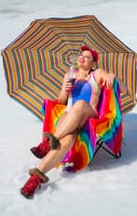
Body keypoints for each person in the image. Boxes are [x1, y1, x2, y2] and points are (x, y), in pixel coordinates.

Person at [20, 45, 127, 199]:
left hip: (88, 115)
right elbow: (62, 101)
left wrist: (112, 75)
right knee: (68, 139)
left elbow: (122, 89)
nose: (82, 58)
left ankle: (49, 142)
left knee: (80, 105)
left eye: (87, 57)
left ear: (93, 63)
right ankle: (36, 178)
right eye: (81, 55)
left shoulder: (97, 74)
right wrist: (65, 88)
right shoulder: (70, 74)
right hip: (69, 116)